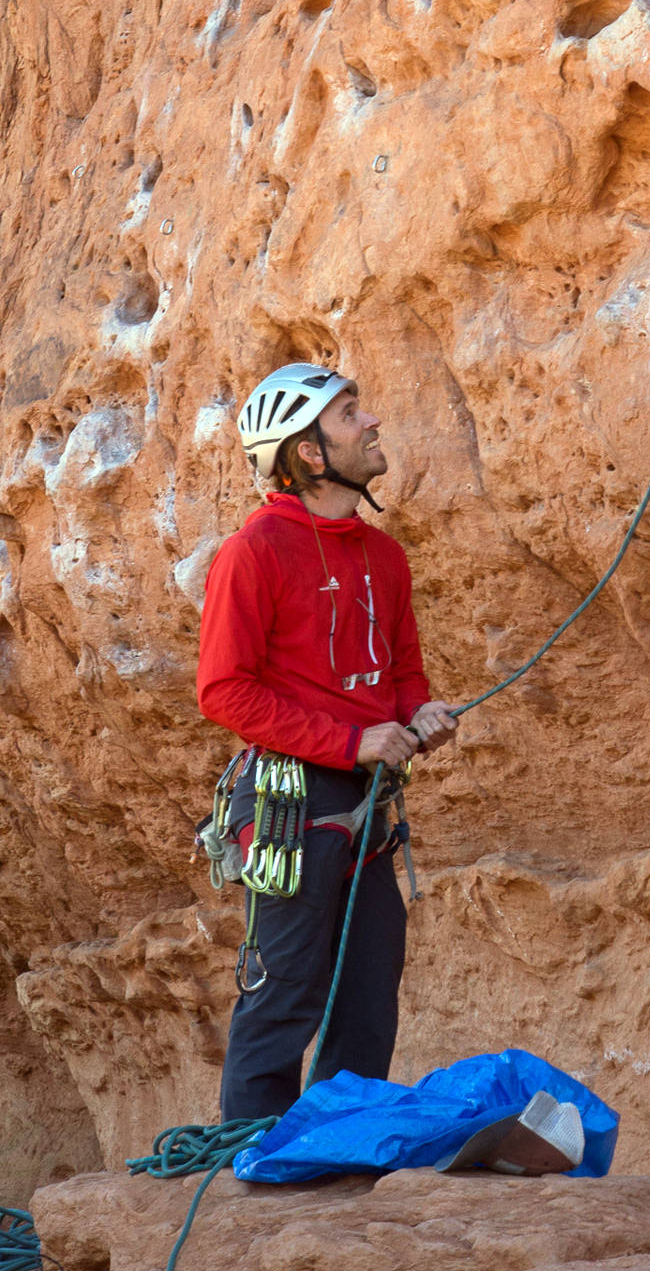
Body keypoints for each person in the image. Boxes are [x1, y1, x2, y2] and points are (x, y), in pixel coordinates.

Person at [198, 363, 458, 1121]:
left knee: (370, 994)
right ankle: (246, 1170)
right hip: (291, 797)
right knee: (285, 993)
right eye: (350, 415)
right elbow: (224, 690)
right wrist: (353, 741)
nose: (371, 422)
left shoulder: (384, 558)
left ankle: (336, 1160)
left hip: (365, 801)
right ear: (310, 452)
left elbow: (402, 675)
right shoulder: (254, 552)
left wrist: (420, 716)